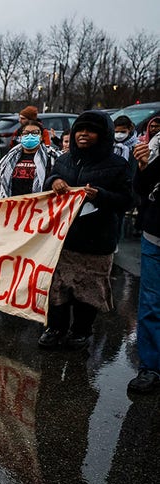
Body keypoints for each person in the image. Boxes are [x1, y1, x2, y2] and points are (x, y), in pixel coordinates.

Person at [40, 110, 134, 350]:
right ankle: (55, 328)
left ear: (102, 135)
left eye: (90, 131)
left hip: (97, 241)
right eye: (80, 130)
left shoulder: (118, 165)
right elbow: (48, 182)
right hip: (65, 239)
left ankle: (81, 332)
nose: (83, 135)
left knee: (88, 291)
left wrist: (100, 195)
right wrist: (54, 182)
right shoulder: (64, 160)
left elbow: (128, 200)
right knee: (59, 288)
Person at [128, 127, 160, 392]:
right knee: (150, 304)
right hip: (154, 237)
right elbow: (140, 188)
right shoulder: (157, 146)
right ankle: (150, 368)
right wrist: (143, 166)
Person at [0, 120, 58, 198]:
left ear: (41, 137)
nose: (30, 136)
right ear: (21, 137)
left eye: (35, 133)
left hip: (41, 206)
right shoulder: (8, 158)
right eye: (26, 133)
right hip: (13, 206)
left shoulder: (51, 156)